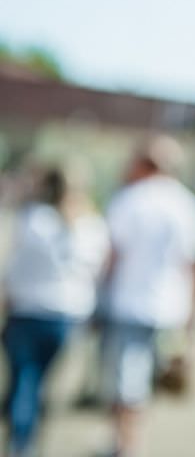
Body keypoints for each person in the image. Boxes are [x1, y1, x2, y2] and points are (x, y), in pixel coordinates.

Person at [100, 136, 195, 457]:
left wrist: (98, 300)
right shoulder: (190, 205)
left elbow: (111, 257)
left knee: (126, 385)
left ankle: (128, 446)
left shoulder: (129, 199)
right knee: (146, 385)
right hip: (170, 311)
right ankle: (126, 443)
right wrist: (193, 322)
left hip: (128, 306)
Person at [1, 165, 109, 457]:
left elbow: (14, 266)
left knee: (24, 380)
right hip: (67, 315)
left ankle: (20, 443)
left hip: (27, 310)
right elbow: (99, 274)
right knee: (40, 382)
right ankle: (28, 440)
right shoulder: (93, 226)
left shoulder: (33, 218)